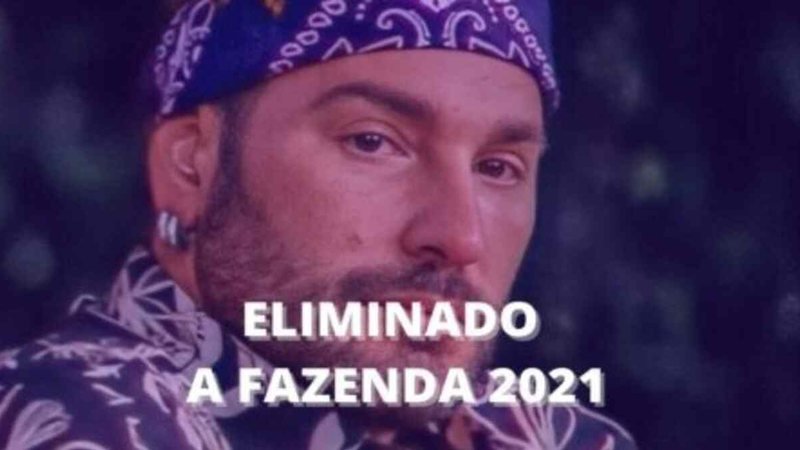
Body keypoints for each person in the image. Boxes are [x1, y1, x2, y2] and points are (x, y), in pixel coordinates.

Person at [0, 0, 636, 448]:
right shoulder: (78, 417)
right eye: (372, 142)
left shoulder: (557, 437)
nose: (460, 237)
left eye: (497, 168)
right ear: (191, 165)